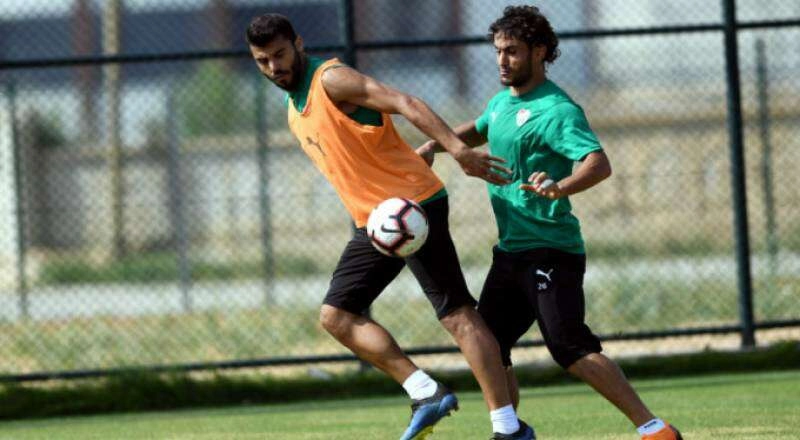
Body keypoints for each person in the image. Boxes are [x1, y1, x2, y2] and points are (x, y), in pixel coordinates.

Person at [246, 13, 535, 440]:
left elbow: (406, 103)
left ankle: (507, 428)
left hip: (412, 209)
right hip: (376, 222)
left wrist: (458, 150)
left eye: (280, 54)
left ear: (299, 44)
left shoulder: (332, 80)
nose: (274, 67)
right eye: (263, 60)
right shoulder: (294, 104)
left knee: (457, 314)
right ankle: (425, 392)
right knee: (337, 316)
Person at [417, 5, 683, 440]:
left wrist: (561, 187)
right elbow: (482, 127)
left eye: (512, 51)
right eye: (498, 51)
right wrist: (437, 144)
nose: (502, 60)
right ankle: (510, 432)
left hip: (551, 251)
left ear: (539, 52)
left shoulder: (558, 110)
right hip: (511, 253)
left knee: (569, 347)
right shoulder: (502, 102)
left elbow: (598, 163)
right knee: (489, 346)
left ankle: (655, 430)